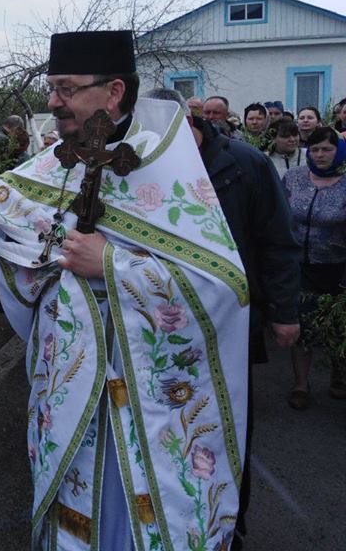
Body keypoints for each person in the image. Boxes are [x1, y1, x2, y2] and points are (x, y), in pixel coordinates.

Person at [0, 30, 249, 551]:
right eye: (52, 86)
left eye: (66, 88)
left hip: (144, 392)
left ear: (113, 92)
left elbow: (224, 284)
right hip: (71, 371)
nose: (53, 101)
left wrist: (112, 264)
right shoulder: (58, 160)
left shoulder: (162, 164)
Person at [144, 88, 301, 551]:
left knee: (229, 427)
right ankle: (173, 524)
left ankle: (231, 524)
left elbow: (277, 240)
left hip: (233, 322)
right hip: (167, 328)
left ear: (189, 122)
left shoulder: (245, 166)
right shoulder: (145, 163)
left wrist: (285, 313)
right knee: (172, 426)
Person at [282, 126, 346, 409]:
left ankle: (339, 377)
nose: (319, 155)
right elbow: (279, 215)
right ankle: (301, 384)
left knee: (338, 327)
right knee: (301, 326)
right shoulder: (293, 178)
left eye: (327, 149)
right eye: (315, 149)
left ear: (339, 151)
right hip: (298, 266)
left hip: (337, 268)